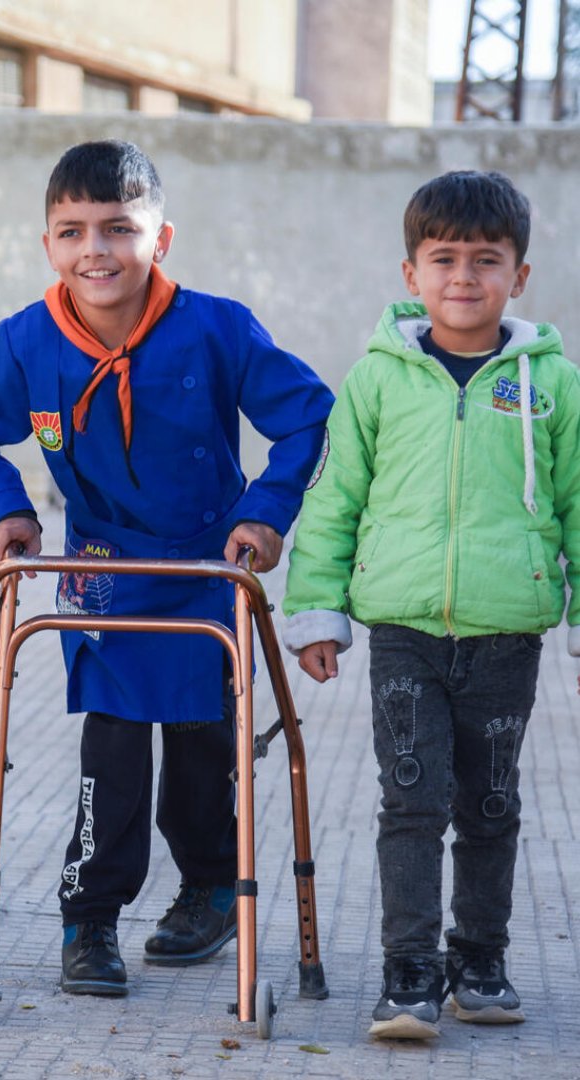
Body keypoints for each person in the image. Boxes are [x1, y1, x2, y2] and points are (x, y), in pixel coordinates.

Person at [0, 140, 333, 996]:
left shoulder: (216, 326)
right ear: (48, 244)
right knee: (109, 756)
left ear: (162, 237)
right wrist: (8, 511)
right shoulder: (26, 342)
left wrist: (266, 516)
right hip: (103, 568)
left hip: (205, 566)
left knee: (197, 752)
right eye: (72, 231)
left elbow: (306, 416)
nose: (96, 251)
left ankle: (210, 886)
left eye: (119, 229)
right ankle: (91, 919)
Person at [282, 170, 580, 1040]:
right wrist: (318, 611)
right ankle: (408, 972)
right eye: (442, 258)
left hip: (505, 630)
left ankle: (477, 962)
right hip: (404, 628)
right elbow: (336, 500)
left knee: (491, 802)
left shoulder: (552, 383)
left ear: (518, 276)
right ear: (410, 272)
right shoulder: (377, 381)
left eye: (485, 260)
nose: (463, 277)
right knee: (411, 799)